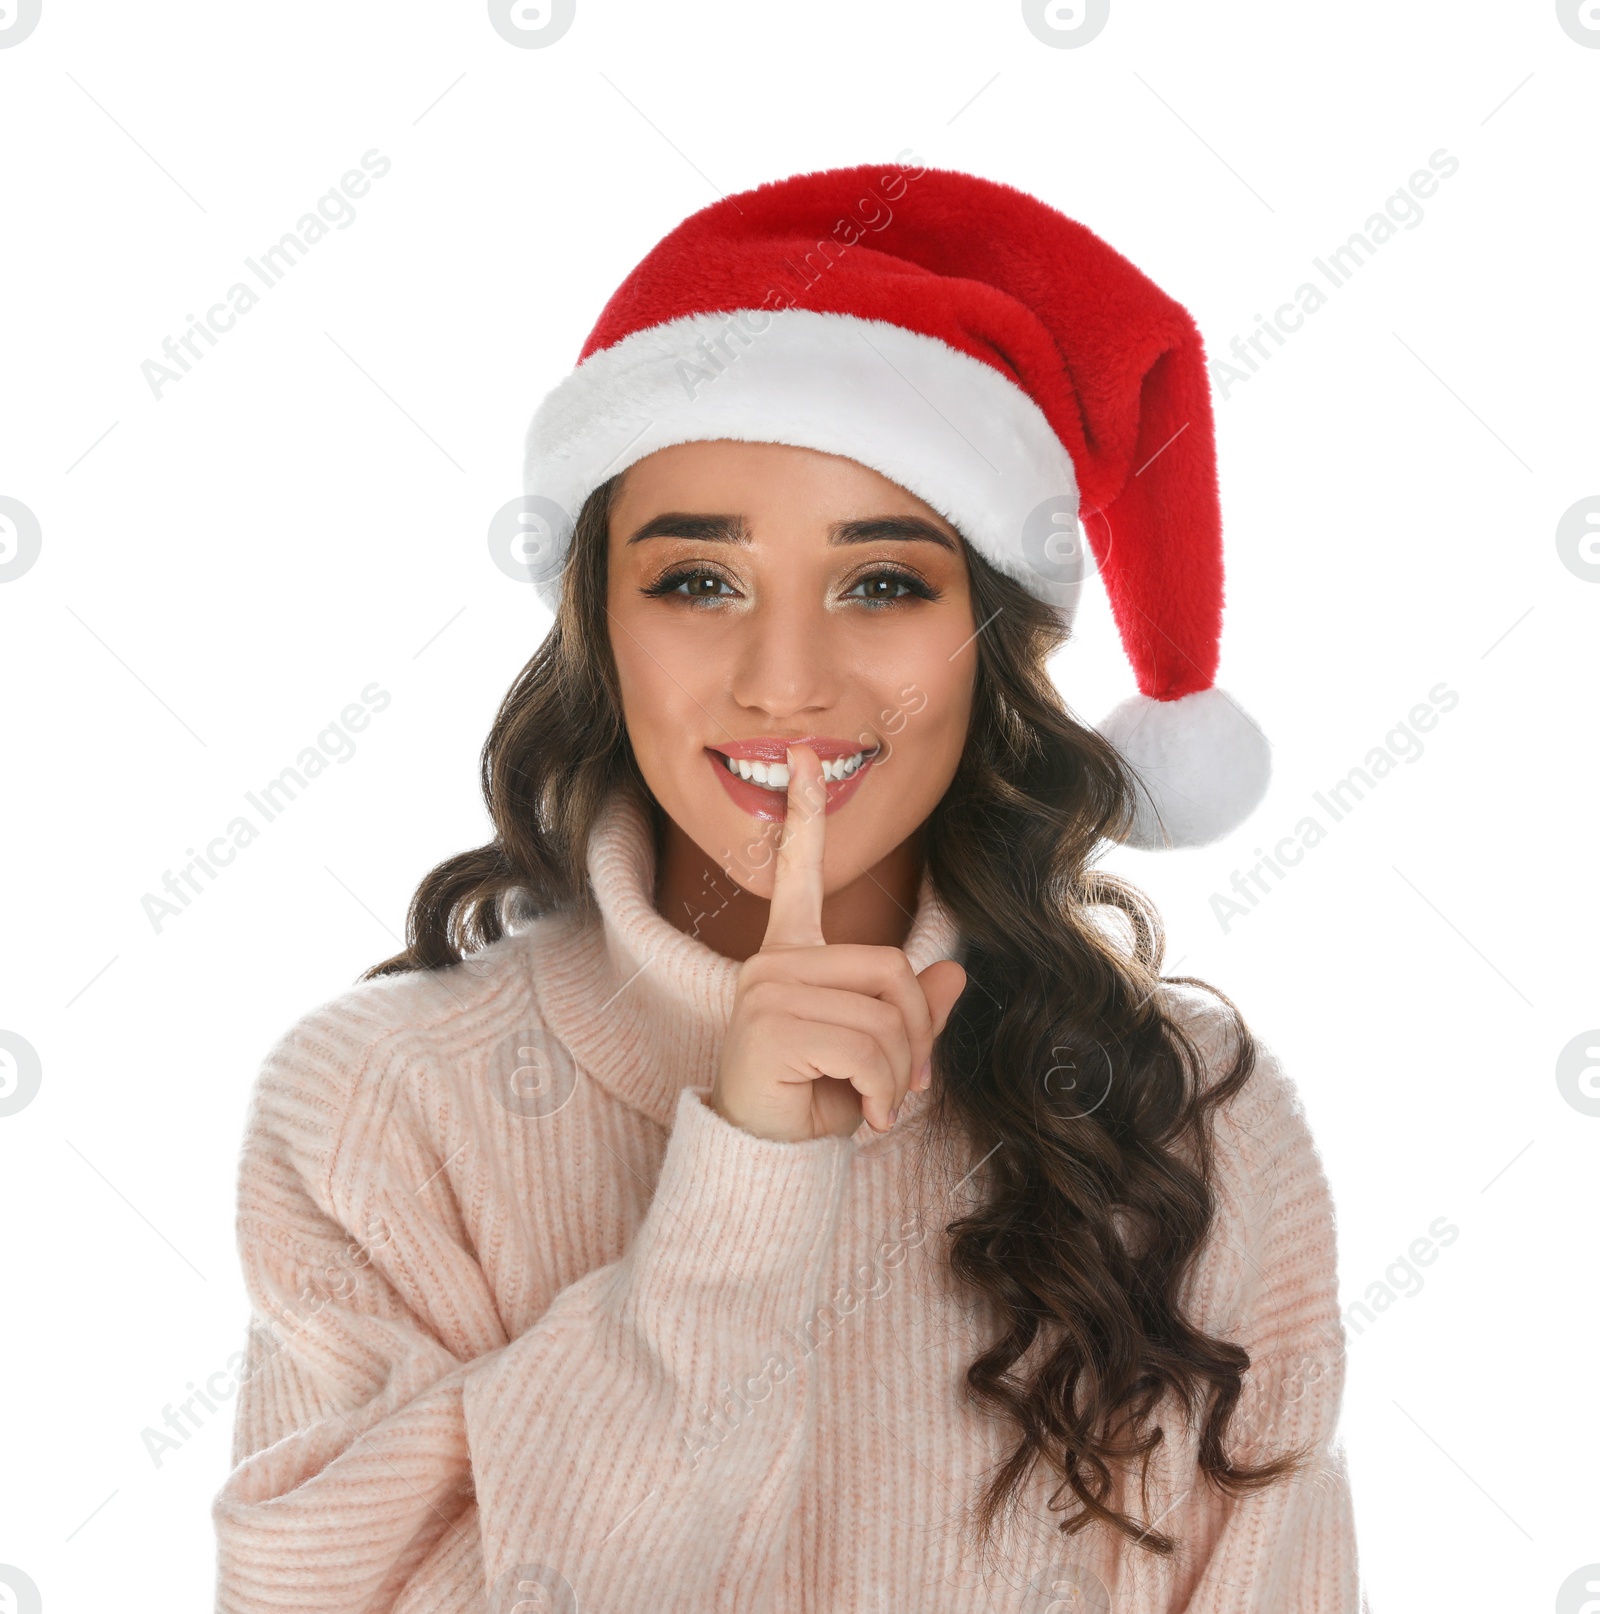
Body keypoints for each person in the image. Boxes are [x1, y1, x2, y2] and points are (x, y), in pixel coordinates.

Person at [212, 161, 1365, 1612]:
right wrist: (743, 1188)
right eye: (699, 581)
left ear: (994, 638)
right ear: (600, 625)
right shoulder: (381, 1105)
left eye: (884, 582)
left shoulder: (1187, 1111)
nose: (787, 679)